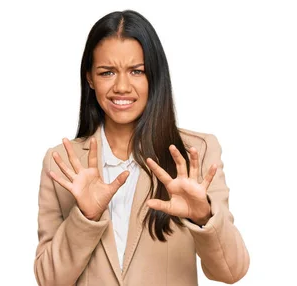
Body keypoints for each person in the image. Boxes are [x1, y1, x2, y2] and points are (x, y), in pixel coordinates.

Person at [33, 10, 249, 286]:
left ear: (155, 76)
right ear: (90, 78)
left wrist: (203, 215)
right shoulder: (62, 161)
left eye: (137, 71)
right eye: (107, 72)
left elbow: (232, 272)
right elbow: (49, 280)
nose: (122, 86)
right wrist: (85, 217)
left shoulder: (196, 153)